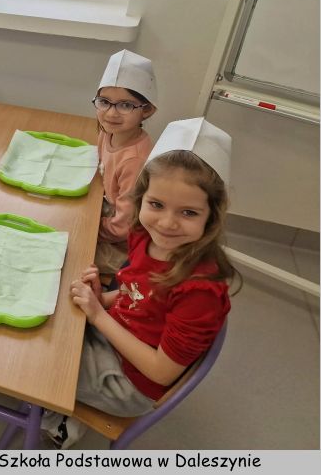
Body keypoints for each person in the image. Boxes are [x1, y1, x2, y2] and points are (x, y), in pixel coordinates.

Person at [43, 117, 240, 448]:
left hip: (129, 383)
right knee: (53, 311)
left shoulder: (200, 291)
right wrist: (102, 300)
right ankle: (62, 408)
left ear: (212, 217)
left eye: (189, 212)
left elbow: (161, 372)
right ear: (141, 197)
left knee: (38, 360)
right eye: (156, 205)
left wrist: (98, 315)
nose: (166, 223)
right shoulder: (144, 236)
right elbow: (135, 293)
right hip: (117, 337)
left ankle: (60, 415)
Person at [92, 50, 157, 277]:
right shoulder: (108, 132)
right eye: (104, 102)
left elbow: (123, 227)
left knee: (72, 253)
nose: (111, 113)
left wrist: (90, 228)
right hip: (107, 213)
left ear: (146, 110)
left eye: (126, 105)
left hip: (123, 242)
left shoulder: (134, 160)